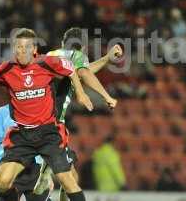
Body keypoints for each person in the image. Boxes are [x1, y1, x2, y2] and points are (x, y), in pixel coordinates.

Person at [0, 28, 92, 201]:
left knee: (68, 180)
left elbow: (71, 70)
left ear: (34, 49)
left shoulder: (46, 63)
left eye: (26, 47)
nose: (22, 51)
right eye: (18, 47)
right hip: (22, 135)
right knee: (2, 181)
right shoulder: (7, 68)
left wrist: (81, 94)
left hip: (48, 133)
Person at [34, 27, 122, 200]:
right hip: (51, 124)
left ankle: (45, 173)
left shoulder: (53, 55)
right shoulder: (74, 55)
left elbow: (82, 71)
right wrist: (107, 97)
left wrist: (106, 59)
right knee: (68, 180)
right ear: (82, 48)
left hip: (35, 120)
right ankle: (44, 173)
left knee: (71, 177)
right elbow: (83, 72)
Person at [0, 104, 53, 201]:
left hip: (36, 170)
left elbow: (48, 145)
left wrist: (47, 175)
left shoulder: (41, 112)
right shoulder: (3, 112)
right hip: (8, 169)